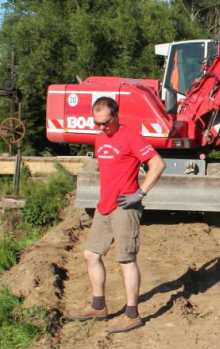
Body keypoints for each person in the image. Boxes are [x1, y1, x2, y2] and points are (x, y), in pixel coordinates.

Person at [71, 96, 165, 333]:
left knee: (126, 260)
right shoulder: (100, 139)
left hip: (125, 207)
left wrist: (140, 193)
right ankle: (98, 306)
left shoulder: (131, 137)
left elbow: (158, 164)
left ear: (116, 115)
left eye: (105, 122)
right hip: (105, 206)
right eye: (97, 123)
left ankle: (132, 314)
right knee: (91, 254)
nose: (101, 127)